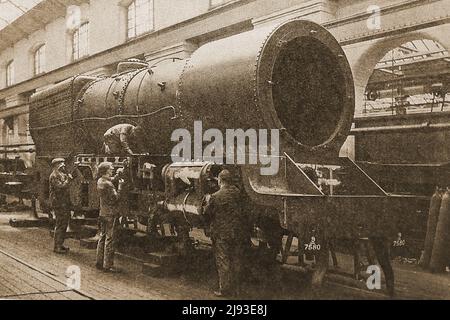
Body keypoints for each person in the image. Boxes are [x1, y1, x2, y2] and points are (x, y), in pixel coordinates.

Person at [203, 169, 251, 297]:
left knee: (223, 260)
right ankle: (238, 288)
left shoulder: (215, 196)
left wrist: (206, 202)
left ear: (220, 180)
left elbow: (206, 214)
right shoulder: (238, 193)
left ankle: (224, 289)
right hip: (238, 232)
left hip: (222, 233)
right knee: (236, 259)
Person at [96, 162, 125, 273]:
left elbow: (109, 180)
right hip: (111, 214)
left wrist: (117, 176)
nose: (112, 169)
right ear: (106, 170)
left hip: (102, 213)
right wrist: (120, 187)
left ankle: (99, 262)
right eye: (111, 169)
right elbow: (116, 197)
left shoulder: (100, 181)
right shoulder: (109, 184)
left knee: (102, 237)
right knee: (110, 239)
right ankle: (107, 265)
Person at [49, 158, 74, 254]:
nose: (63, 165)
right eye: (61, 164)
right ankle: (57, 247)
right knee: (60, 224)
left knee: (63, 224)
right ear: (56, 165)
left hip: (63, 202)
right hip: (58, 203)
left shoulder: (61, 174)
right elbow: (60, 187)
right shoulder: (54, 176)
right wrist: (69, 180)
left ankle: (60, 244)